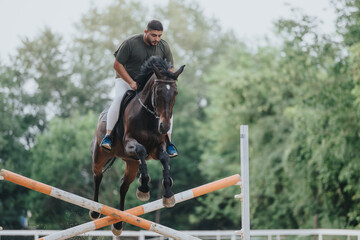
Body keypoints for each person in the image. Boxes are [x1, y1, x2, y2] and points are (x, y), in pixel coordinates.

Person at [100, 20, 178, 157]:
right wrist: (130, 82)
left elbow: (170, 68)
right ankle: (108, 136)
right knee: (118, 99)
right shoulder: (131, 43)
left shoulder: (164, 46)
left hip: (149, 83)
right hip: (126, 79)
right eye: (154, 35)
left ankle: (169, 143)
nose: (157, 39)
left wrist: (167, 81)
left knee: (166, 106)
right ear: (146, 32)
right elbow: (117, 65)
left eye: (160, 36)